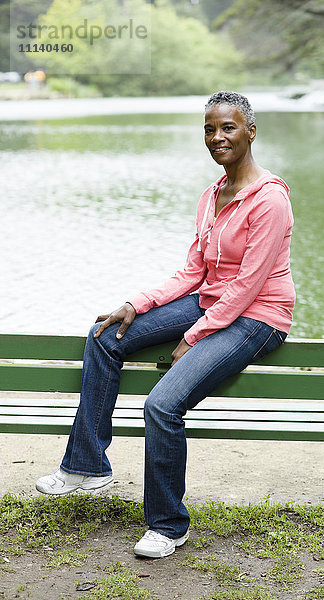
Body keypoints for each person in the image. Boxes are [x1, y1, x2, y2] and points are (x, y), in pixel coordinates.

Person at [36, 91, 296, 559]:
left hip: (258, 316)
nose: (217, 137)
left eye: (228, 128)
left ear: (250, 132)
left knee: (162, 404)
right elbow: (193, 273)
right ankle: (87, 464)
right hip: (211, 301)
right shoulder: (212, 195)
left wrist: (196, 336)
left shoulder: (270, 199)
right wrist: (135, 303)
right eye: (209, 129)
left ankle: (168, 524)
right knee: (105, 336)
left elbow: (248, 285)